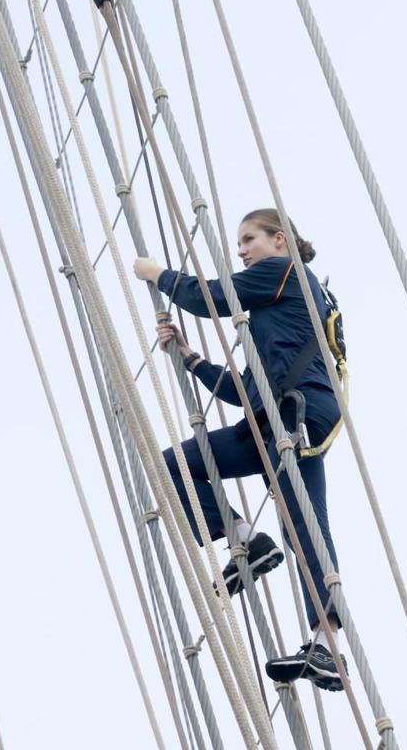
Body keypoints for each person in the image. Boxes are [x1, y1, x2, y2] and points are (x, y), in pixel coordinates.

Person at [132, 208, 346, 692]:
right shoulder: (272, 318)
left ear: (280, 241)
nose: (243, 250)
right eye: (240, 244)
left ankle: (328, 645)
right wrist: (190, 358)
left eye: (250, 239)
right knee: (175, 466)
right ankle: (246, 541)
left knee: (305, 521)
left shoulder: (286, 272)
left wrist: (157, 274)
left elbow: (209, 297)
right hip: (272, 416)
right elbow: (245, 393)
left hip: (301, 414)